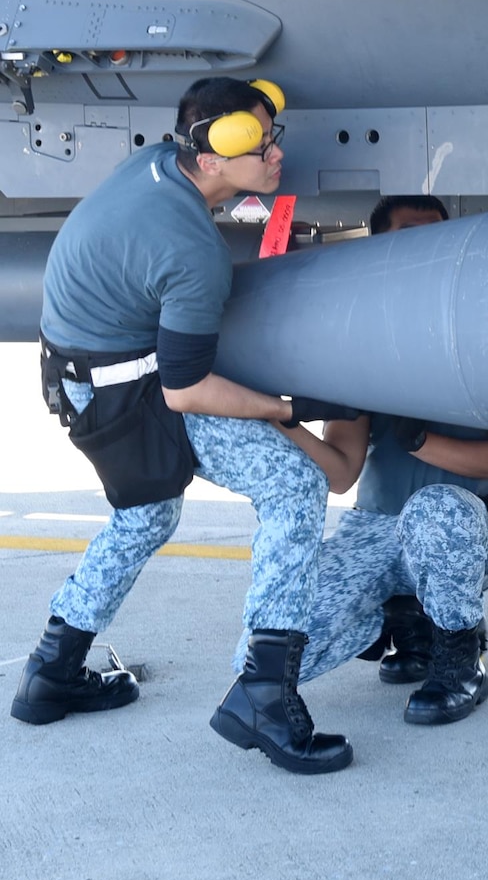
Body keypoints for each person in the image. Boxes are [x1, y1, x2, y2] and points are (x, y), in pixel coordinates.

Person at [15, 76, 358, 776]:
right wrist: (290, 410)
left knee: (146, 515)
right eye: (260, 144)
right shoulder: (192, 251)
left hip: (83, 377)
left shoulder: (153, 165)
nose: (275, 154)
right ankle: (265, 689)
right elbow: (187, 390)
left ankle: (52, 672)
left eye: (273, 137)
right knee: (294, 482)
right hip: (127, 392)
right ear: (210, 156)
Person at [272, 195, 488, 725]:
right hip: (375, 529)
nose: (427, 252)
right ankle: (402, 620)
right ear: (379, 250)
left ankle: (459, 658)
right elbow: (342, 473)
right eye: (411, 237)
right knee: (276, 654)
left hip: (463, 530)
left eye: (437, 238)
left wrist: (420, 442)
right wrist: (279, 419)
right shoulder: (360, 343)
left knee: (434, 508)